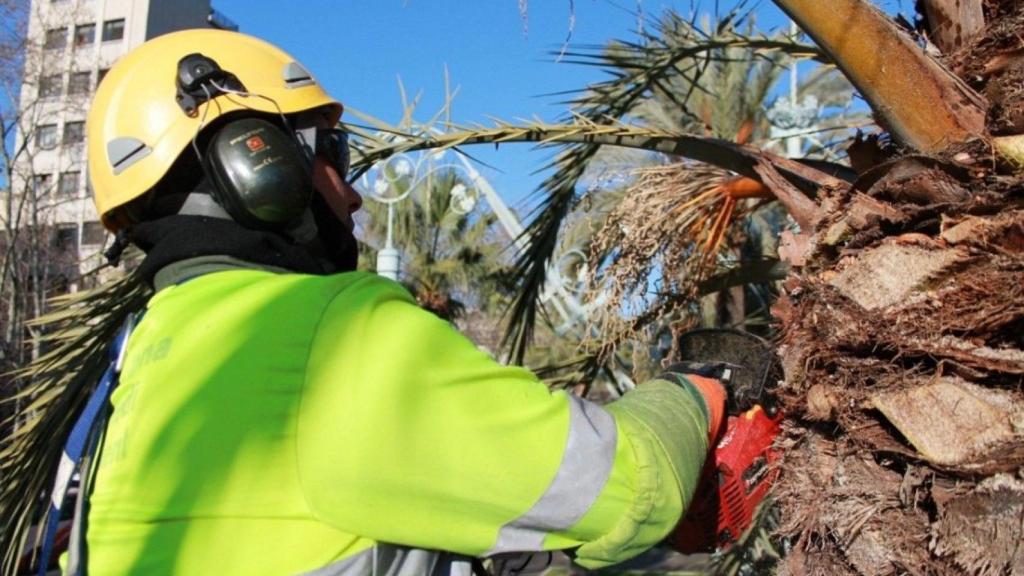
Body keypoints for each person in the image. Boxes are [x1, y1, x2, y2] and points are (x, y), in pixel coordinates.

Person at [82, 28, 727, 575]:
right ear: (259, 163)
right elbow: (634, 485)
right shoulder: (330, 333)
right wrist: (695, 391)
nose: (355, 195)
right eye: (334, 152)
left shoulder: (139, 364)